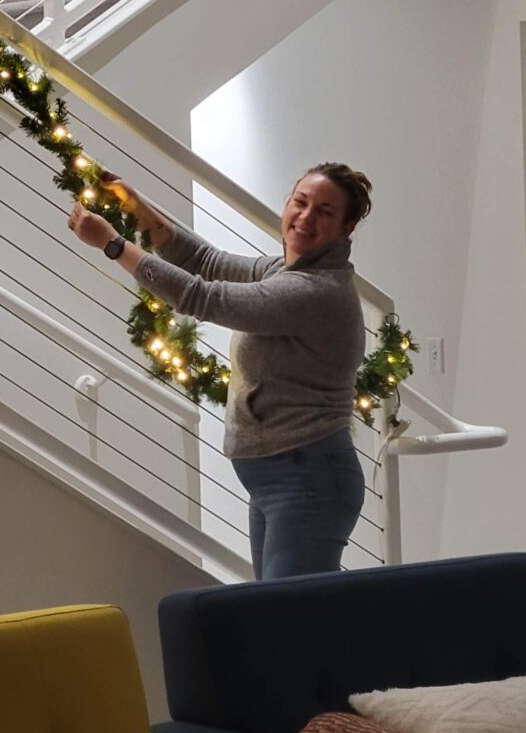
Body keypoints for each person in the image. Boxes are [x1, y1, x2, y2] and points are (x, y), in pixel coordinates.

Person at [66, 164, 371, 579]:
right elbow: (205, 260)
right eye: (300, 202)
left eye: (324, 212)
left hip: (308, 480)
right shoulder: (286, 270)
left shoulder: (314, 291)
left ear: (346, 227)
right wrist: (138, 209)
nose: (304, 217)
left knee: (293, 624)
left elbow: (200, 296)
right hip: (278, 478)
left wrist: (115, 246)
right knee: (284, 619)